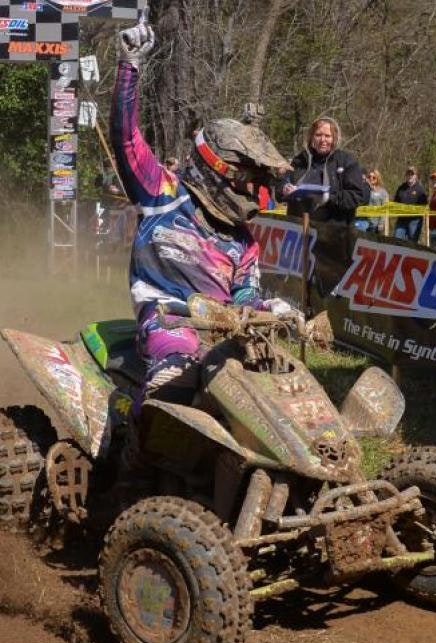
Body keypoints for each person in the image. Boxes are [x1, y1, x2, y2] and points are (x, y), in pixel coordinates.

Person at [112, 19, 297, 414]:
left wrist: (272, 309)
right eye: (249, 178)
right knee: (177, 371)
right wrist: (129, 66)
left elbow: (246, 297)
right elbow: (127, 140)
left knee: (279, 377)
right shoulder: (163, 193)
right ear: (218, 169)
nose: (255, 189)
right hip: (168, 321)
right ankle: (138, 448)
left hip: (222, 334)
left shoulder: (243, 241)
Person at [277, 117, 370, 225]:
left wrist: (328, 197)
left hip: (332, 229)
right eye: (318, 135)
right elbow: (281, 184)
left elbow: (359, 196)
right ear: (312, 137)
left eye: (327, 136)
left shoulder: (346, 161)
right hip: (298, 226)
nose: (322, 140)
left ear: (335, 138)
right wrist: (284, 189)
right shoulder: (300, 160)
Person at [393, 166, 429, 242]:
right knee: (396, 239)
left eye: (412, 174)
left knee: (412, 242)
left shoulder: (420, 189)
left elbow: (424, 206)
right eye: (408, 174)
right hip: (401, 219)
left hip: (414, 221)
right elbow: (395, 202)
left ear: (416, 176)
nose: (410, 176)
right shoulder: (401, 188)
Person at [361, 167, 389, 233]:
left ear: (377, 179)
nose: (371, 179)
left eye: (374, 177)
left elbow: (384, 209)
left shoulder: (383, 192)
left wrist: (381, 223)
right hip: (364, 221)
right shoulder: (365, 189)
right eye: (369, 177)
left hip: (375, 224)